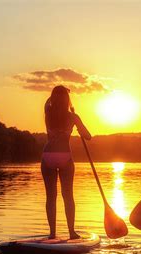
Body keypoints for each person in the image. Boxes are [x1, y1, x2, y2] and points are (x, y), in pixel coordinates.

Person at [42, 85, 91, 240]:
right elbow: (88, 136)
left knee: (51, 196)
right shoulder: (73, 117)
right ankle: (71, 232)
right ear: (67, 100)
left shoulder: (48, 112)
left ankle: (52, 233)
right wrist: (79, 128)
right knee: (68, 195)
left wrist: (62, 93)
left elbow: (48, 101)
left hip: (48, 155)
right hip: (65, 156)